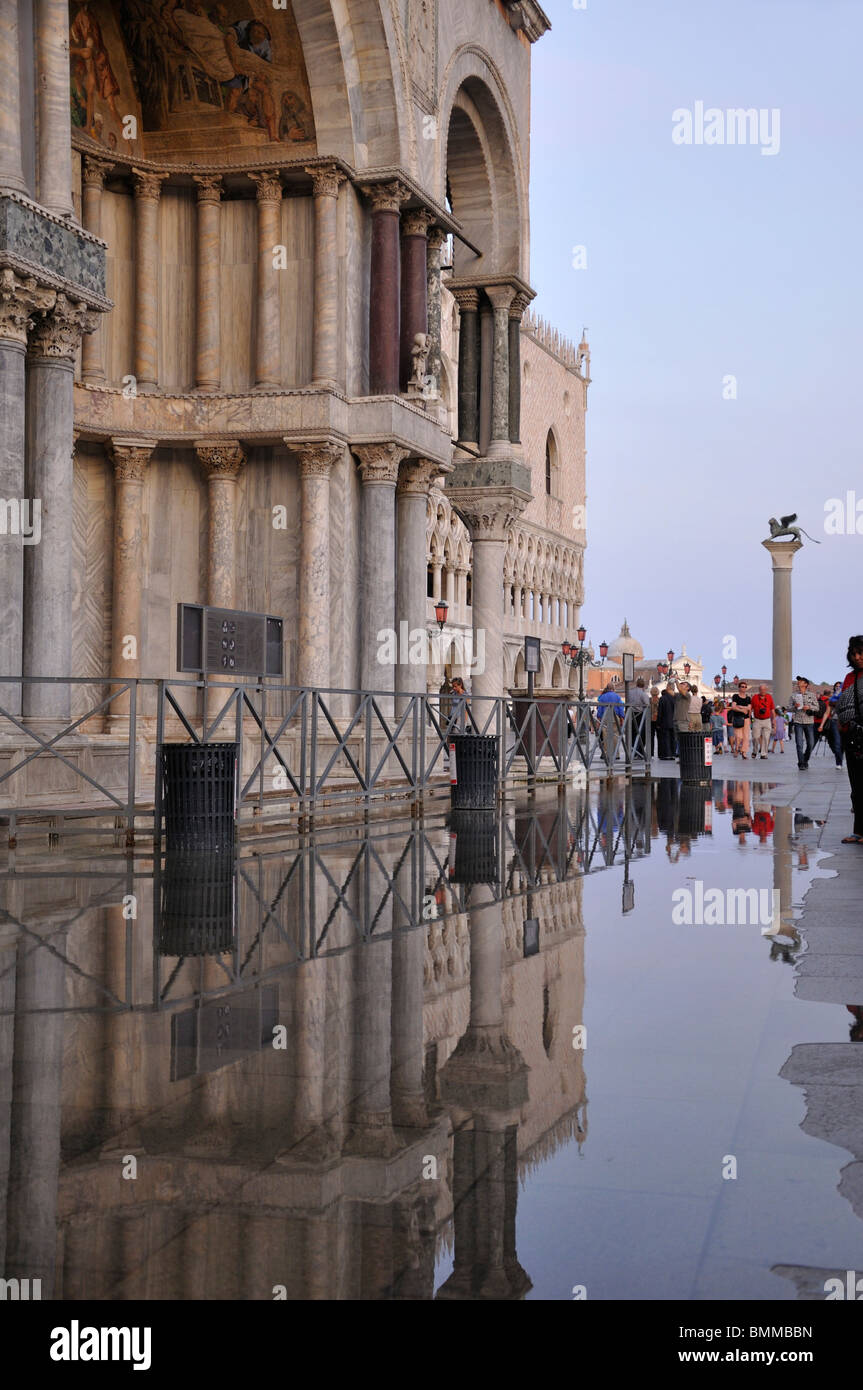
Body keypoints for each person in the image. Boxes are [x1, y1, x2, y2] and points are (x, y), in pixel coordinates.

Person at [835, 637, 863, 842]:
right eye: (854, 654)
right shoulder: (849, 678)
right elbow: (843, 703)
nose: (857, 657)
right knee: (857, 786)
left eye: (861, 653)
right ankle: (859, 831)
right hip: (853, 736)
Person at [789, 675, 820, 770]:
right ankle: (801, 763)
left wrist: (809, 707)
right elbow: (788, 708)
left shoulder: (812, 695)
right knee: (799, 744)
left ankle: (805, 759)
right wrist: (795, 706)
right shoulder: (793, 695)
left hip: (809, 722)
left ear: (806, 684)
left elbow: (817, 708)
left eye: (801, 681)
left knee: (810, 744)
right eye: (798, 681)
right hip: (798, 721)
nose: (798, 682)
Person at [821, 681, 844, 768]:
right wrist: (821, 725)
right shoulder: (832, 699)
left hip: (845, 721)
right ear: (834, 688)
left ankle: (840, 757)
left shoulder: (845, 696)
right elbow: (827, 713)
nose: (838, 687)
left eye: (839, 686)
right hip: (834, 722)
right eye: (836, 686)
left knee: (843, 743)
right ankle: (839, 763)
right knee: (837, 743)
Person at [750, 683, 775, 760]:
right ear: (759, 690)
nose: (763, 691)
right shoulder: (754, 697)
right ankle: (755, 750)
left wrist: (773, 719)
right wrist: (750, 719)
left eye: (764, 689)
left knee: (766, 738)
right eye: (761, 689)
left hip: (767, 720)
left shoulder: (769, 697)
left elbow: (772, 709)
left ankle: (763, 754)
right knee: (755, 737)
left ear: (766, 690)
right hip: (757, 720)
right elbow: (750, 709)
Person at [727, 682, 752, 758]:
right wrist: (742, 710)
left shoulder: (748, 698)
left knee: (746, 737)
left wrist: (740, 706)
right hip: (737, 718)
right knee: (739, 736)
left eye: (745, 687)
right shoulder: (735, 696)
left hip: (746, 719)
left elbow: (749, 708)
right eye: (742, 686)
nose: (743, 688)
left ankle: (744, 752)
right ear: (739, 687)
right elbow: (733, 707)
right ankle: (737, 748)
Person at [627, 678, 650, 758]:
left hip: (630, 715)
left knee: (631, 733)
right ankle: (638, 752)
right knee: (640, 734)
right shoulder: (643, 694)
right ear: (643, 685)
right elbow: (647, 704)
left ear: (636, 684)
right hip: (639, 715)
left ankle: (631, 751)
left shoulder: (629, 692)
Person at [656, 683, 676, 759]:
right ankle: (673, 754)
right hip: (674, 721)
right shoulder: (675, 698)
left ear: (667, 688)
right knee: (672, 738)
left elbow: (660, 712)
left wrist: (658, 722)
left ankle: (667, 754)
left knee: (666, 738)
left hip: (665, 721)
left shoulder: (662, 698)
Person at [649, 685, 660, 759]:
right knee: (659, 737)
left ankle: (651, 754)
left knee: (651, 738)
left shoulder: (649, 700)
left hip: (650, 720)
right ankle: (659, 753)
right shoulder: (660, 700)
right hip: (658, 720)